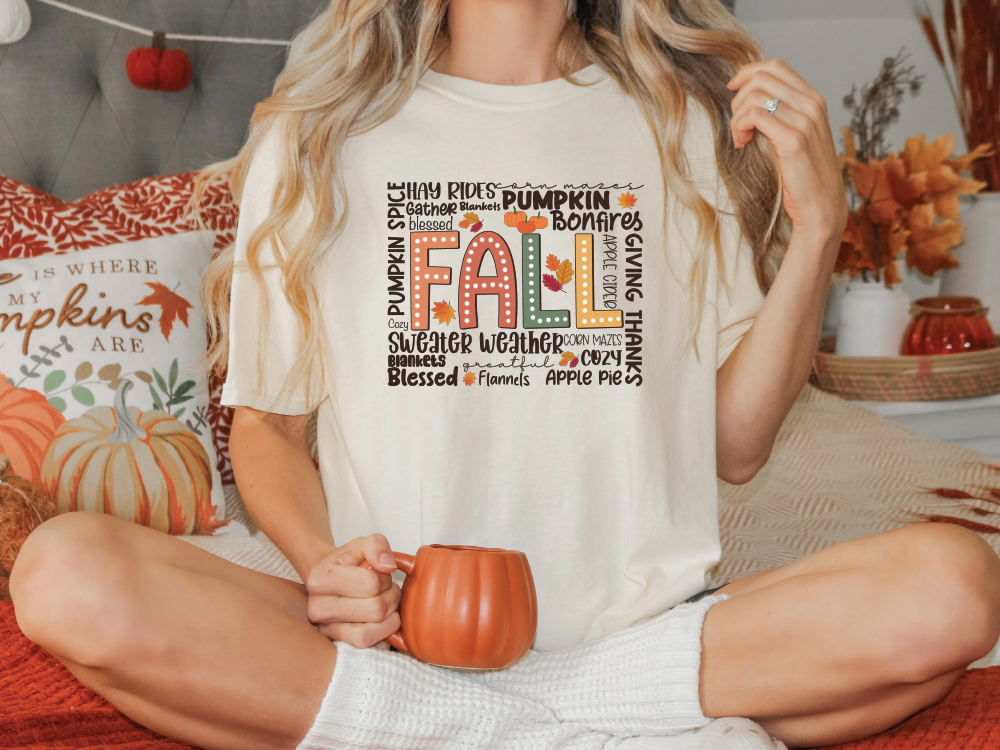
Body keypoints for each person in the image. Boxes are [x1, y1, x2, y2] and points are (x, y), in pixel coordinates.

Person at [10, 0, 1000, 747]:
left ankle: (431, 726)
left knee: (954, 586)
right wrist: (322, 566)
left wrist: (820, 223)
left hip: (635, 634)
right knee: (63, 573)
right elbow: (268, 429)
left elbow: (734, 450)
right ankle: (532, 726)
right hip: (390, 636)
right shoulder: (318, 136)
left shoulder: (678, 126)